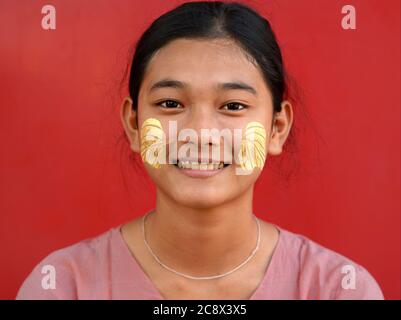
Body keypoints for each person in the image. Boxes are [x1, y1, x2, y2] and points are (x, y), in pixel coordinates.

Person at [17, 1, 383, 300]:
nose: (200, 133)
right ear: (133, 124)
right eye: (171, 104)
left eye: (234, 106)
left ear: (277, 127)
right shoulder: (63, 286)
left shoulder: (338, 288)